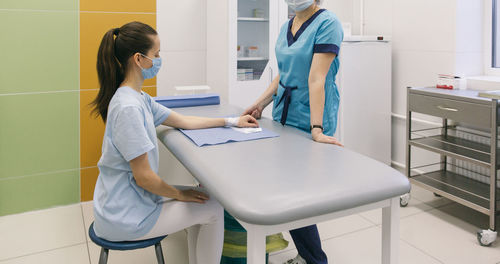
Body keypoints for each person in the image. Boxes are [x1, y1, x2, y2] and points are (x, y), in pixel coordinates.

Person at [91, 21, 258, 264]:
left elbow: (183, 120)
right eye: (156, 54)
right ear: (139, 59)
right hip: (124, 217)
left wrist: (233, 121)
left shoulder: (137, 98)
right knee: (212, 208)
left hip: (125, 201)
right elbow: (144, 178)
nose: (159, 59)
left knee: (203, 197)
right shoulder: (128, 108)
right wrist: (179, 194)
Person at [242, 0, 344, 263]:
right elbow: (283, 75)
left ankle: (315, 259)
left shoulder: (327, 23)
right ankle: (308, 255)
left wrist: (317, 128)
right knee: (290, 191)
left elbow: (317, 78)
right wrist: (259, 104)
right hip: (283, 113)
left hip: (311, 116)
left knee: (298, 195)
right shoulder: (287, 25)